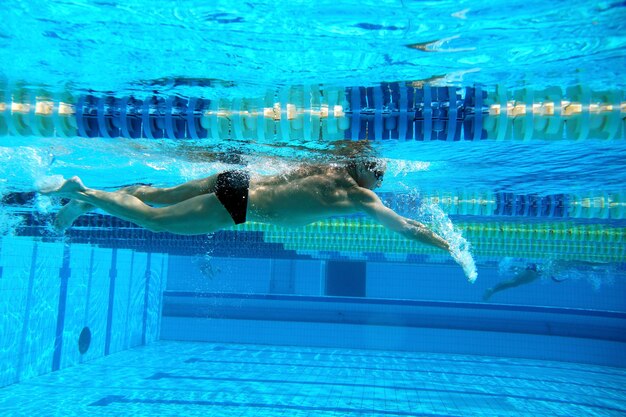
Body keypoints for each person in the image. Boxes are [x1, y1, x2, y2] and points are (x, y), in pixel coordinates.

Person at [40, 157, 475, 281]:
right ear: (364, 171)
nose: (380, 180)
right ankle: (79, 190)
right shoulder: (358, 195)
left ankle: (86, 204)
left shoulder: (325, 166)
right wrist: (451, 246)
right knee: (157, 220)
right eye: (378, 172)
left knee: (160, 194)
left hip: (238, 177)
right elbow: (407, 227)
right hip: (242, 205)